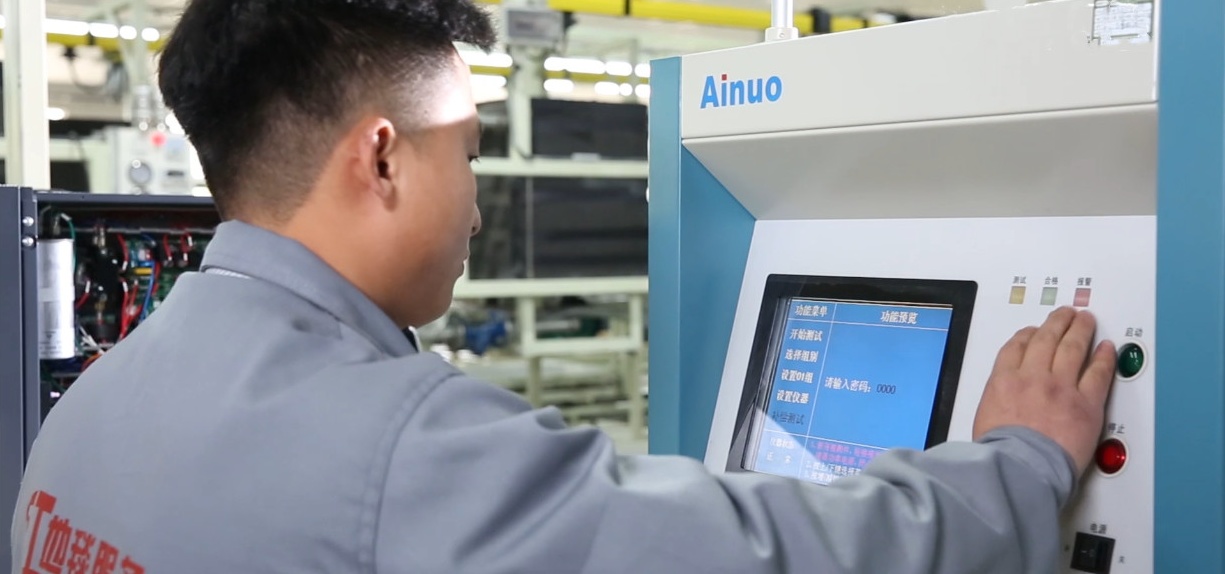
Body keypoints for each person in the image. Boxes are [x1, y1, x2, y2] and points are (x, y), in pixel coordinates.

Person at [10, 0, 1118, 572]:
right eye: (470, 152)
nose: (476, 206)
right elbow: (766, 557)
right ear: (383, 158)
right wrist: (1020, 463)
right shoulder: (401, 447)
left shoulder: (93, 405)